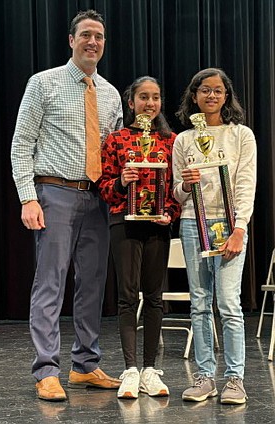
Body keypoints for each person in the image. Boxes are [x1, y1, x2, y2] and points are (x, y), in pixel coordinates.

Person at [11, 10, 123, 401]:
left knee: (91, 285)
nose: (94, 42)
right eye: (87, 35)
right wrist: (28, 196)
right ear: (71, 40)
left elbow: (115, 152)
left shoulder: (109, 93)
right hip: (54, 193)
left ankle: (85, 366)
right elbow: (22, 142)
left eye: (100, 37)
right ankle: (46, 370)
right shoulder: (43, 83)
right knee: (50, 283)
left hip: (98, 199)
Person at [172, 68, 256, 404]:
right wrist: (185, 186)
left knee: (228, 302)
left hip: (230, 224)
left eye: (218, 90)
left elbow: (246, 184)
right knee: (199, 303)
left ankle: (235, 379)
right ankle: (205, 376)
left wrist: (240, 228)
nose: (211, 96)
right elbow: (178, 194)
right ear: (194, 95)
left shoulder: (241, 135)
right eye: (204, 90)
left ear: (226, 95)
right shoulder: (183, 140)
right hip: (193, 223)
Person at [98, 76, 180, 399]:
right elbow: (103, 187)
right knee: (127, 297)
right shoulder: (116, 140)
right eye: (143, 97)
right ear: (130, 103)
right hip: (124, 222)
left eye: (156, 97)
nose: (150, 103)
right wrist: (121, 181)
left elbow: (174, 187)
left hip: (158, 225)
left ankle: (150, 369)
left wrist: (170, 212)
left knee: (155, 297)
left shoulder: (171, 141)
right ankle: (130, 369)